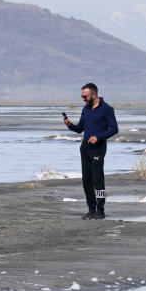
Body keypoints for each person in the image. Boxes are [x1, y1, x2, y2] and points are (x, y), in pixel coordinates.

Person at [63, 82, 118, 219]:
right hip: (85, 148)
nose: (83, 99)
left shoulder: (106, 109)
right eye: (82, 96)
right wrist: (70, 125)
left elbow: (114, 129)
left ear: (93, 94)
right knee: (86, 180)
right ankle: (91, 209)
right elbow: (80, 129)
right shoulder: (86, 109)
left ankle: (101, 211)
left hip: (98, 148)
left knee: (97, 179)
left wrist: (98, 137)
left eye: (85, 97)